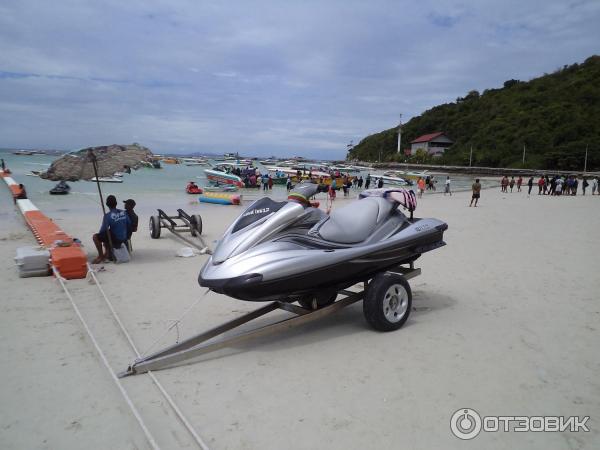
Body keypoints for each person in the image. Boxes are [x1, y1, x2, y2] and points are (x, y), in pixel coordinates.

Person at [92, 195, 130, 264]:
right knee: (108, 233)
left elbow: (102, 230)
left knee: (95, 237)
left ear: (107, 205)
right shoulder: (124, 212)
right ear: (116, 203)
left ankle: (101, 256)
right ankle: (107, 253)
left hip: (117, 238)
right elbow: (128, 224)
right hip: (124, 237)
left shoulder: (108, 216)